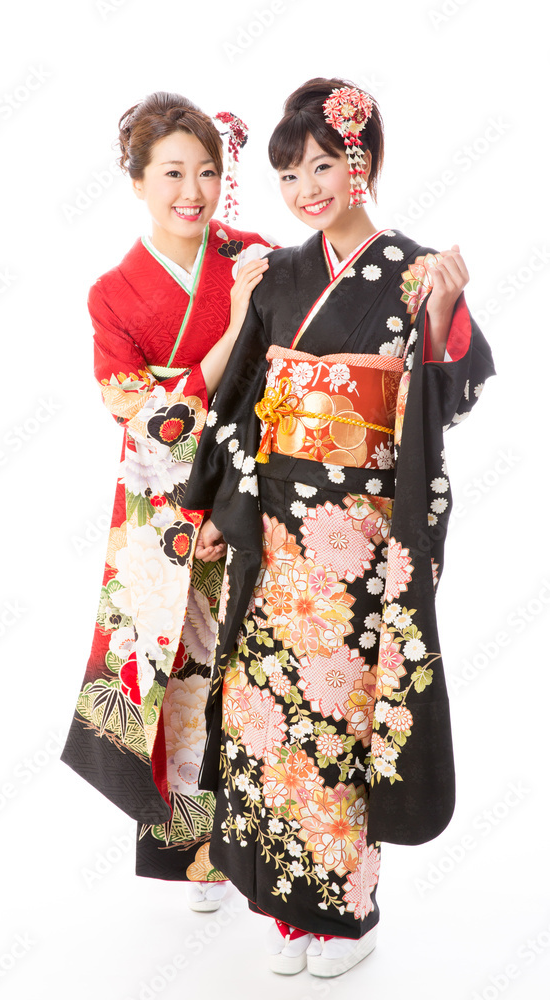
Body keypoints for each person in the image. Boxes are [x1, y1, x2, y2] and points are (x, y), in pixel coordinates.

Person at [182, 77, 495, 974]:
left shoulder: (413, 268)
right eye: (288, 174)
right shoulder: (276, 275)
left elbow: (453, 395)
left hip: (359, 539)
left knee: (343, 716)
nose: (306, 188)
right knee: (266, 710)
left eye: (322, 164)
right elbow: (239, 399)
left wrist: (438, 314)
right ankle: (286, 910)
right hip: (277, 528)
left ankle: (345, 916)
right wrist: (211, 505)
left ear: (362, 163)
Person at [60, 91, 277, 911]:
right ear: (138, 181)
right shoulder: (113, 294)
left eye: (208, 172)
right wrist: (229, 334)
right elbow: (136, 409)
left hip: (251, 492)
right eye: (173, 172)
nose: (193, 189)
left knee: (256, 673)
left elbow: (292, 363)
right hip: (164, 508)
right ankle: (192, 853)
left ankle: (261, 847)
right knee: (179, 681)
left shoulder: (250, 252)